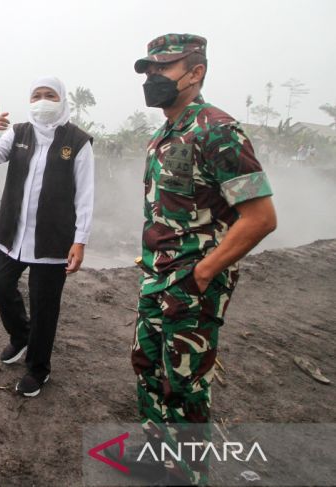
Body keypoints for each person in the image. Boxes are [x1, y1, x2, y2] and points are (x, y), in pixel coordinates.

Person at [126, 34, 277, 484]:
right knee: (149, 365)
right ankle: (158, 454)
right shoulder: (165, 133)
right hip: (158, 278)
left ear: (196, 73)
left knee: (185, 380)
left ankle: (189, 472)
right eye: (149, 70)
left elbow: (260, 217)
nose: (153, 77)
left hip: (193, 285)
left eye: (163, 69)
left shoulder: (217, 129)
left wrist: (203, 273)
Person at [0, 76, 94, 397]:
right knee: (0, 285)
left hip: (53, 239)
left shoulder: (78, 142)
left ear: (62, 99)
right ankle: (20, 335)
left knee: (45, 306)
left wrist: (79, 240)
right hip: (13, 232)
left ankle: (38, 369)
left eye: (49, 95)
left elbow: (85, 195)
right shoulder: (18, 133)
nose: (42, 101)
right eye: (37, 95)